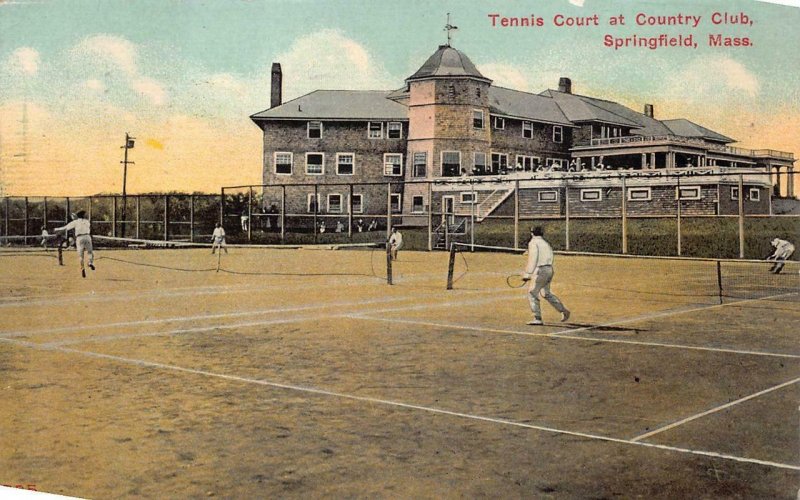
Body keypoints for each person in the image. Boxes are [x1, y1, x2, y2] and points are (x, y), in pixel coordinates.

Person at [521, 226, 569, 325]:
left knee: (532, 292)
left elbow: (533, 259)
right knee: (545, 293)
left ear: (532, 233)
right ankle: (564, 311)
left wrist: (527, 274)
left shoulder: (533, 243)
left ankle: (537, 318)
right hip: (549, 269)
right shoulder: (545, 243)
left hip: (541, 270)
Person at [54, 210, 95, 278]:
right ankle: (90, 263)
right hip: (87, 236)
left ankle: (82, 268)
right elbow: (84, 224)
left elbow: (66, 227)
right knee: (90, 252)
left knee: (81, 255)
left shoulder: (75, 222)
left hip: (79, 238)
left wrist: (57, 229)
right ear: (83, 215)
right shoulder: (87, 221)